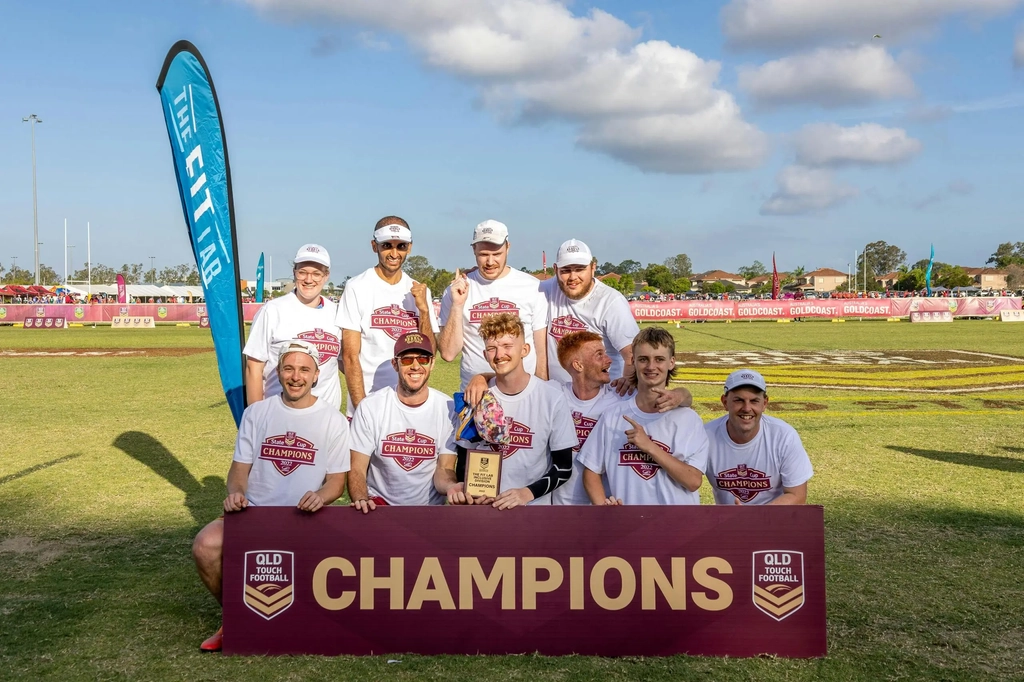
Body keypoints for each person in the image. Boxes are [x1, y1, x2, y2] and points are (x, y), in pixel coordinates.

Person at [191, 340, 351, 652]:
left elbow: (336, 483)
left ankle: (307, 620)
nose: (296, 376)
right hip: (256, 514)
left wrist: (320, 497)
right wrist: (236, 495)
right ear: (277, 372)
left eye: (304, 369)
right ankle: (235, 617)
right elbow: (238, 471)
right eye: (288, 368)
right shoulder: (257, 413)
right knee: (205, 545)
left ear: (317, 375)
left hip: (304, 519)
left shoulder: (332, 419)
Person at [551, 330, 692, 505]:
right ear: (578, 365)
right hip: (563, 504)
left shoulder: (621, 395)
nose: (609, 360)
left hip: (609, 502)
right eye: (599, 355)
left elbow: (666, 396)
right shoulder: (554, 395)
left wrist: (680, 394)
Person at [454, 313, 576, 508]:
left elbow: (564, 467)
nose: (499, 354)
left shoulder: (551, 397)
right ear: (485, 355)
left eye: (507, 346)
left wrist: (526, 494)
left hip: (533, 513)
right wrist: (472, 493)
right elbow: (463, 461)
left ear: (525, 350)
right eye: (492, 349)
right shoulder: (475, 396)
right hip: (484, 511)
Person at [336, 216, 439, 417]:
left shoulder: (418, 290)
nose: (394, 253)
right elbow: (349, 356)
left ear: (409, 247)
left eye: (401, 246)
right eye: (387, 246)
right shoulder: (357, 287)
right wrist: (361, 408)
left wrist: (424, 311)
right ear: (374, 246)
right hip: (368, 402)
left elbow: (430, 354)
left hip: (409, 404)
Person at [348, 330, 460, 511]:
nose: (416, 366)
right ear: (395, 364)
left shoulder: (447, 408)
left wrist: (450, 487)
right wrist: (361, 499)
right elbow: (357, 468)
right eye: (407, 360)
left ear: (432, 364)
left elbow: (444, 469)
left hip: (427, 510)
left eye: (423, 359)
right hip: (379, 507)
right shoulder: (371, 406)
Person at [438, 220, 549, 390]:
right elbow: (448, 353)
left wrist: (542, 392)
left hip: (524, 394)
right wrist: (457, 306)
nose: (490, 261)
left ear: (508, 247)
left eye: (497, 253)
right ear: (473, 250)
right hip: (475, 396)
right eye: (483, 254)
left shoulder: (532, 287)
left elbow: (541, 352)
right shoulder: (457, 290)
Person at [243, 244, 343, 409]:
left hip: (326, 419)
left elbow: (346, 362)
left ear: (326, 276)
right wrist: (255, 416)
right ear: (294, 273)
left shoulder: (337, 313)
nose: (309, 279)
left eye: (316, 274)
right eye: (302, 272)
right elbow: (254, 367)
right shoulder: (273, 310)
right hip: (279, 414)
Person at [704, 369, 813, 505]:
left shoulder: (784, 436)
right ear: (725, 402)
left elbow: (797, 496)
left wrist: (754, 517)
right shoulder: (706, 436)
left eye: (754, 401)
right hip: (728, 523)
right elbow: (688, 480)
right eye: (739, 400)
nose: (747, 408)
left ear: (765, 404)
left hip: (774, 521)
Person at [542, 239, 640, 388]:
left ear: (593, 267)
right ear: (555, 269)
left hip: (602, 401)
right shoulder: (547, 290)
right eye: (566, 270)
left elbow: (634, 354)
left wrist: (627, 386)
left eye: (580, 269)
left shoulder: (610, 301)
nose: (573, 277)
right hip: (559, 399)